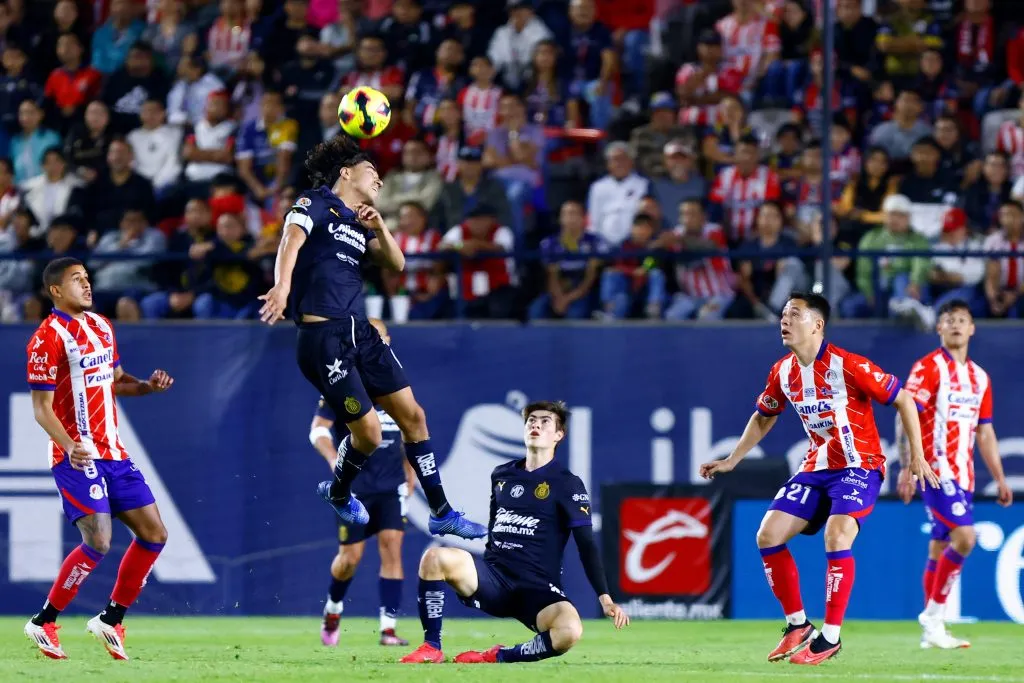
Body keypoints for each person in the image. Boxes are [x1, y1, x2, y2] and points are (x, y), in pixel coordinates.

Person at [257, 134, 485, 540]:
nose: (379, 179)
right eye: (372, 171)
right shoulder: (316, 201)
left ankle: (442, 512)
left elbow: (396, 263)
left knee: (414, 417)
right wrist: (282, 286)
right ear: (346, 173)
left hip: (360, 331)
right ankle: (339, 492)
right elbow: (291, 237)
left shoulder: (359, 221)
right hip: (323, 335)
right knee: (370, 435)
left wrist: (378, 224)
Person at [700, 292, 939, 665]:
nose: (785, 320)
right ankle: (798, 625)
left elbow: (904, 400)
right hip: (816, 467)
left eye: (795, 314)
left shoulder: (850, 366)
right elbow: (764, 415)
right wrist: (733, 459)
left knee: (837, 535)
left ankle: (830, 637)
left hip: (859, 466)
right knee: (768, 535)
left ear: (817, 324)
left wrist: (916, 458)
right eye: (783, 314)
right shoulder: (782, 371)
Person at [23, 257, 174, 661]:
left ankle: (110, 619)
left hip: (115, 452)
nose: (87, 285)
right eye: (77, 280)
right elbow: (40, 408)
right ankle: (43, 621)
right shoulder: (46, 337)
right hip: (76, 456)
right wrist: (69, 444)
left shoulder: (102, 326)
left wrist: (146, 387)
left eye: (87, 278)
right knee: (100, 540)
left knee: (155, 534)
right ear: (56, 290)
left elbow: (116, 382)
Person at [399, 401, 630, 665]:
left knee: (569, 631)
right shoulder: (502, 475)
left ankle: (498, 656)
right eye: (531, 420)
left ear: (559, 435)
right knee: (434, 558)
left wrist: (605, 598)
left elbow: (586, 545)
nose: (536, 425)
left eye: (545, 421)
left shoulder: (568, 484)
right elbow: (495, 526)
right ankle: (431, 647)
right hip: (494, 579)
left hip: (537, 589)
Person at [896, 299, 1013, 649]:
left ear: (972, 328)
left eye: (962, 320)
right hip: (934, 470)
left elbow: (985, 432)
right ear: (939, 328)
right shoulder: (929, 367)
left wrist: (1000, 478)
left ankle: (931, 631)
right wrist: (906, 464)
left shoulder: (980, 378)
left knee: (939, 547)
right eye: (949, 320)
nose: (956, 325)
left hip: (964, 476)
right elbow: (905, 412)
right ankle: (933, 618)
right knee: (965, 538)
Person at [313, 318, 416, 648]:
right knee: (350, 559)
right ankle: (333, 607)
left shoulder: (397, 386)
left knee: (392, 548)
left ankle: (388, 629)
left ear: (387, 341)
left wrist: (411, 473)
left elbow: (410, 433)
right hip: (354, 486)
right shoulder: (341, 383)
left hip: (391, 486)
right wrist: (335, 460)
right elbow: (318, 430)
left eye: (378, 337)